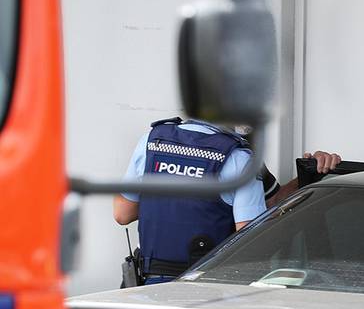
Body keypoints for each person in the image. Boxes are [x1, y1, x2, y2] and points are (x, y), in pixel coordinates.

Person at [113, 116, 340, 284]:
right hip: (209, 291)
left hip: (148, 288)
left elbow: (122, 214)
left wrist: (308, 176)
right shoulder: (239, 158)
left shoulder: (152, 142)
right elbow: (251, 243)